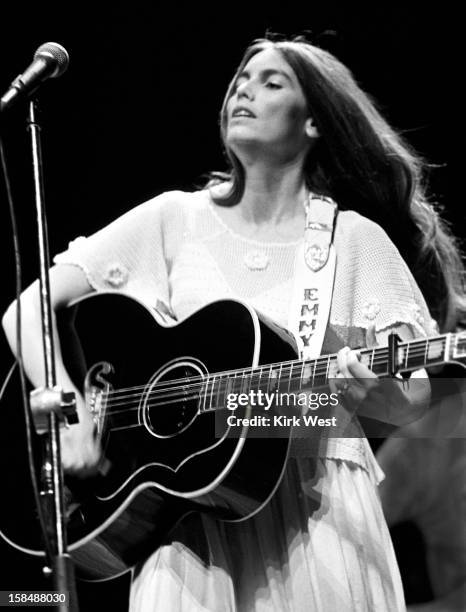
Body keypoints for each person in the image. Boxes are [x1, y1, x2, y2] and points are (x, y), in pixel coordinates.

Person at [2, 37, 465, 611]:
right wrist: (71, 413)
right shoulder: (174, 219)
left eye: (272, 82)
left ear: (316, 120)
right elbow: (26, 310)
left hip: (316, 513)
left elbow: (419, 393)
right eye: (240, 79)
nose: (243, 89)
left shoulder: (351, 241)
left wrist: (377, 398)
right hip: (188, 525)